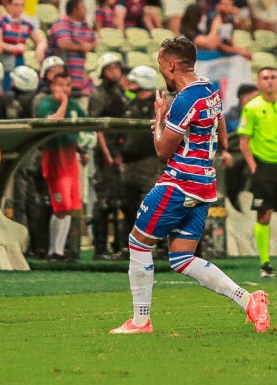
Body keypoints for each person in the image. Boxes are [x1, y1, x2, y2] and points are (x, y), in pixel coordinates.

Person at [110, 37, 270, 334]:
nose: (161, 71)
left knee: (137, 242)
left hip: (180, 181)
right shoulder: (210, 89)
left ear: (171, 65)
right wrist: (172, 126)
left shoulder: (185, 99)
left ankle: (141, 320)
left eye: (160, 65)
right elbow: (222, 140)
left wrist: (160, 121)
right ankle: (249, 300)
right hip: (205, 184)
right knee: (182, 258)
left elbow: (162, 150)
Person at [37, 72, 86, 261]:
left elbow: (87, 127)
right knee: (60, 207)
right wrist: (64, 102)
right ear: (52, 86)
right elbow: (52, 121)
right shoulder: (46, 104)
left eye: (67, 85)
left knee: (69, 207)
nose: (64, 89)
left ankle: (59, 251)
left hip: (71, 160)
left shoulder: (76, 106)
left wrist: (83, 150)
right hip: (54, 160)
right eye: (60, 85)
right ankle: (53, 250)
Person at [237, 66, 277, 278]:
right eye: (266, 78)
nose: (270, 81)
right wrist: (254, 168)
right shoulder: (252, 108)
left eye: (273, 77)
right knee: (264, 214)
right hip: (264, 166)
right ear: (259, 83)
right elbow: (244, 143)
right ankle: (265, 263)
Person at [89, 52, 127, 259]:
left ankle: (118, 245)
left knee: (118, 201)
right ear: (103, 72)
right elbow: (98, 127)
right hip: (105, 152)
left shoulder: (120, 92)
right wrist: (107, 154)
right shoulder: (98, 94)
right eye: (110, 68)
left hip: (120, 151)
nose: (114, 72)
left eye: (117, 68)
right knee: (103, 201)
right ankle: (100, 248)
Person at [118, 65, 161, 245]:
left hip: (151, 161)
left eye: (134, 80)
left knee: (150, 206)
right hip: (129, 163)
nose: (129, 83)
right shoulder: (129, 104)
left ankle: (155, 245)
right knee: (128, 205)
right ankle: (131, 245)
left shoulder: (158, 105)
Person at [0, 0, 46, 90]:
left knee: (20, 86)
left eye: (22, 5)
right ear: (9, 5)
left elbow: (41, 41)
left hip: (19, 60)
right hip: (5, 60)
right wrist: (15, 47)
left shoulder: (26, 24)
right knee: (5, 88)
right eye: (16, 5)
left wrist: (40, 50)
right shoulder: (1, 21)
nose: (19, 8)